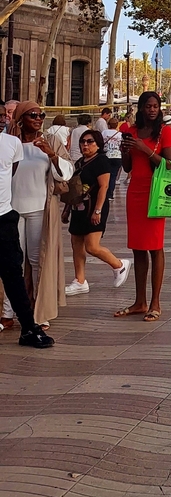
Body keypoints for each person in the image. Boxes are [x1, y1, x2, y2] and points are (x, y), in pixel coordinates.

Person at [7, 101, 73, 331]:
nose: (38, 119)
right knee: (12, 262)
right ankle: (7, 312)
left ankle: (38, 311)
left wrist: (52, 155)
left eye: (41, 115)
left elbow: (66, 173)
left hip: (39, 209)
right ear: (20, 119)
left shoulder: (51, 141)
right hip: (12, 210)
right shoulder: (10, 142)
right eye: (32, 115)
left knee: (37, 261)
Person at [115, 90, 171, 322]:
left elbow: (169, 165)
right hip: (135, 193)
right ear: (140, 108)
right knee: (138, 248)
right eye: (148, 106)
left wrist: (146, 149)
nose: (152, 110)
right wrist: (125, 151)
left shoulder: (165, 132)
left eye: (155, 106)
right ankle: (139, 301)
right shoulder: (131, 131)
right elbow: (127, 167)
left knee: (155, 246)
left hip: (156, 193)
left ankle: (155, 302)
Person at [0, 124, 54, 347]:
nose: (3, 119)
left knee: (13, 274)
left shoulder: (11, 143)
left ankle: (29, 328)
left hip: (4, 217)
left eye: (3, 115)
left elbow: (10, 173)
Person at [65, 129, 131, 295]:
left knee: (92, 246)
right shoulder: (79, 162)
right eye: (83, 141)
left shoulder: (101, 161)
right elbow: (74, 189)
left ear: (98, 144)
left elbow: (104, 186)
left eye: (90, 141)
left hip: (93, 207)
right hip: (78, 208)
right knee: (76, 243)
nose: (85, 145)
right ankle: (80, 280)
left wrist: (98, 210)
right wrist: (66, 209)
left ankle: (119, 265)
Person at [103, 117, 124, 199]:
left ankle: (105, 192)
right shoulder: (120, 134)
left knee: (105, 176)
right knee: (113, 176)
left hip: (106, 156)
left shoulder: (104, 132)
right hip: (117, 156)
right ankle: (110, 194)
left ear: (108, 125)